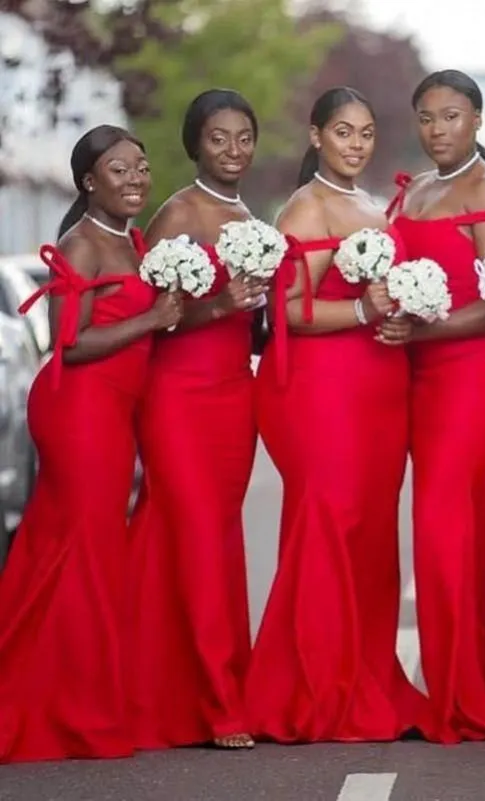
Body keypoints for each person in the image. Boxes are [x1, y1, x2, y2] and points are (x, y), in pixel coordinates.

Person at [245, 87, 425, 743]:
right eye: (344, 132)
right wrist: (362, 312)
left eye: (367, 132)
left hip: (378, 385)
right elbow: (288, 312)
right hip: (321, 390)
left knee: (370, 534)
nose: (357, 144)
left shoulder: (372, 206)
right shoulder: (306, 206)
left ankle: (365, 675)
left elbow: (382, 296)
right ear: (317, 136)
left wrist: (401, 315)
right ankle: (314, 687)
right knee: (327, 524)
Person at [0, 125, 181, 763]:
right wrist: (152, 318)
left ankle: (72, 691)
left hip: (115, 410)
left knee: (74, 549)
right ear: (88, 182)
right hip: (79, 409)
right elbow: (69, 345)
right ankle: (72, 708)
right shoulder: (81, 245)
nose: (134, 179)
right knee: (86, 549)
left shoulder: (131, 240)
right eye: (118, 170)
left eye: (140, 166)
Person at [383, 69, 485, 743]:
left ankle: (460, 693)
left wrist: (424, 329)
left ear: (476, 121)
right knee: (476, 516)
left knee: (439, 515)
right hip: (418, 372)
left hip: (479, 369)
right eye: (426, 118)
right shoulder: (414, 189)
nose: (437, 129)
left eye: (450, 116)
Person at [128, 90, 266, 751]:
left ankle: (154, 688)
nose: (233, 150)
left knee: (209, 537)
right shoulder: (177, 212)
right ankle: (217, 703)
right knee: (193, 533)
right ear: (194, 144)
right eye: (219, 138)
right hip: (178, 395)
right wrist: (218, 307)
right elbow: (149, 315)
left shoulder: (245, 214)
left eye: (244, 137)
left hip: (234, 393)